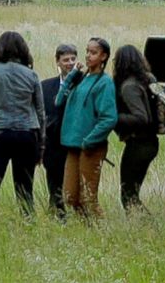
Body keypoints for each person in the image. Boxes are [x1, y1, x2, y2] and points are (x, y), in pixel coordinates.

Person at [0, 31, 47, 216]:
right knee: (25, 189)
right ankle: (28, 223)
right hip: (27, 134)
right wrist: (41, 144)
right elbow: (41, 113)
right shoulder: (32, 75)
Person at [57, 37, 116, 218]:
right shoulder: (81, 78)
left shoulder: (104, 82)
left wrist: (89, 140)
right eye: (87, 52)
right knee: (69, 196)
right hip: (73, 144)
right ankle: (85, 228)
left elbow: (109, 118)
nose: (88, 56)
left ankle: (100, 230)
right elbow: (59, 100)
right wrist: (72, 76)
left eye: (94, 52)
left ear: (104, 56)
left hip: (90, 146)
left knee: (88, 197)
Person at [112, 44, 161, 213]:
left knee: (128, 195)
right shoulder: (148, 80)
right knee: (132, 193)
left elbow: (141, 117)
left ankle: (148, 227)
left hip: (138, 143)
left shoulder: (129, 87)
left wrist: (114, 118)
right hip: (150, 142)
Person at [40, 44, 80, 218]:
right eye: (65, 60)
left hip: (74, 142)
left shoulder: (83, 83)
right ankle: (56, 214)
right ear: (57, 62)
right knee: (54, 183)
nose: (70, 63)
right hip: (53, 144)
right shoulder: (46, 86)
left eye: (73, 59)